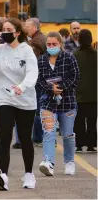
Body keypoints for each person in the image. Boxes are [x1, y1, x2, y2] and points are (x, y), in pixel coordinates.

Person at [0, 18, 38, 190]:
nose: (5, 32)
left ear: (17, 32)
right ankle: (3, 176)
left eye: (9, 29)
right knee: (5, 137)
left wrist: (22, 87)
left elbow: (32, 73)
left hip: (25, 99)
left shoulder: (26, 50)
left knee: (25, 138)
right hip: (3, 98)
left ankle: (29, 174)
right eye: (3, 29)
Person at [37, 32, 80, 176]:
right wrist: (51, 89)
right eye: (48, 44)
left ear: (60, 44)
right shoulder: (41, 60)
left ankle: (69, 162)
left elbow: (76, 77)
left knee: (67, 134)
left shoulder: (69, 57)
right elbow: (38, 80)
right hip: (48, 102)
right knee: (48, 132)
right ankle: (48, 162)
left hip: (67, 102)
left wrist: (60, 87)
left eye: (54, 44)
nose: (51, 47)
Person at [73, 29, 97, 153]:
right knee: (92, 120)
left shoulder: (75, 55)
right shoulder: (96, 55)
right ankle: (92, 145)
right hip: (94, 95)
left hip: (79, 95)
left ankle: (79, 144)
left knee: (79, 121)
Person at [25, 17, 47, 148]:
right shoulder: (40, 38)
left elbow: (34, 61)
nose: (26, 29)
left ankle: (38, 138)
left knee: (38, 108)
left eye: (28, 27)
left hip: (39, 79)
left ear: (34, 27)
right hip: (42, 78)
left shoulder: (36, 42)